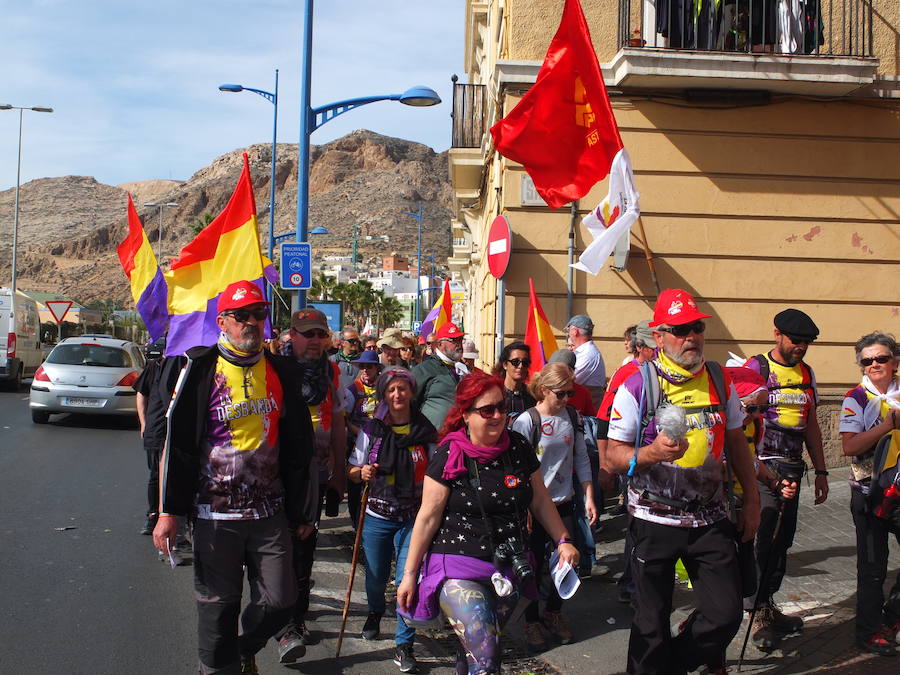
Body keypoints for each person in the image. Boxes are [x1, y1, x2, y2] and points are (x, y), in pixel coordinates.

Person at [153, 280, 316, 675]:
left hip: (269, 513)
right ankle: (219, 666)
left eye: (258, 314)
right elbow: (176, 445)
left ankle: (243, 649)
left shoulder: (281, 370)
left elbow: (300, 446)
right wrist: (167, 511)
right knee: (217, 609)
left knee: (282, 600)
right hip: (213, 515)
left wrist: (304, 511)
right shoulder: (199, 369)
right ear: (222, 321)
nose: (251, 323)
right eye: (241, 315)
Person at [605, 288, 760, 675]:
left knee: (725, 615)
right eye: (678, 330)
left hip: (710, 519)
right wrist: (652, 454)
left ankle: (670, 665)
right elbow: (612, 457)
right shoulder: (637, 385)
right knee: (649, 624)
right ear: (658, 337)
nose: (690, 337)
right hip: (654, 520)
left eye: (695, 328)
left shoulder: (719, 381)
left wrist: (752, 499)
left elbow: (738, 443)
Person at [396, 371, 580, 675]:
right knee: (487, 654)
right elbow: (427, 517)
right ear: (466, 414)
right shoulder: (450, 453)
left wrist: (563, 539)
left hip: (510, 567)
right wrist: (409, 574)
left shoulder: (518, 446)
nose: (497, 416)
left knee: (475, 651)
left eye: (502, 408)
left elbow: (539, 499)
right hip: (458, 566)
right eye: (487, 410)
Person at [743, 308, 828, 648]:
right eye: (796, 340)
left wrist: (822, 471)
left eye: (807, 342)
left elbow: (810, 424)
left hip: (793, 467)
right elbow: (741, 417)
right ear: (777, 333)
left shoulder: (807, 373)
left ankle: (768, 603)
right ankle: (756, 610)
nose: (801, 347)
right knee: (763, 535)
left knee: (782, 540)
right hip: (762, 468)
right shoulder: (757, 368)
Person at [348, 367, 438, 670]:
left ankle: (404, 644)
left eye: (402, 389)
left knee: (406, 580)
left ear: (411, 392)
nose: (397, 395)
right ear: (384, 394)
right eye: (391, 390)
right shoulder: (373, 430)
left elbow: (438, 473)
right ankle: (375, 611)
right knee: (375, 577)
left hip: (414, 518)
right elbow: (351, 468)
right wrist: (362, 473)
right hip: (376, 515)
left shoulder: (425, 431)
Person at [277, 307, 348, 660]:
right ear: (292, 335)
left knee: (305, 546)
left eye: (321, 333)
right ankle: (277, 615)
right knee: (278, 548)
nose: (316, 340)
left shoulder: (332, 371)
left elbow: (336, 423)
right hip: (275, 475)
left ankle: (294, 620)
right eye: (309, 333)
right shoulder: (273, 367)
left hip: (315, 476)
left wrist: (338, 474)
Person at [511, 362, 597, 650]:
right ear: (544, 390)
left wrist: (589, 495)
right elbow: (517, 467)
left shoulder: (572, 417)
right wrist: (522, 508)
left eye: (570, 393)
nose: (566, 400)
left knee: (568, 562)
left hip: (564, 503)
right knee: (533, 567)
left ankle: (553, 613)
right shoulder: (527, 421)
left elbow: (582, 458)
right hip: (534, 507)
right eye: (561, 394)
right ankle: (531, 620)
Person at [839, 332, 900, 656]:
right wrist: (888, 424)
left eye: (882, 358)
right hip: (870, 493)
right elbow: (850, 446)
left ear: (895, 362)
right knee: (873, 568)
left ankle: (894, 616)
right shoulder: (855, 398)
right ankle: (869, 632)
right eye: (868, 360)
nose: (875, 364)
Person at [725, 367, 798, 617]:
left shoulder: (754, 426)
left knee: (744, 578)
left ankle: (760, 609)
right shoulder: (717, 425)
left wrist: (775, 484)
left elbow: (753, 460)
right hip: (716, 510)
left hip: (740, 505)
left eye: (762, 409)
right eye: (751, 407)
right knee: (723, 588)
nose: (757, 414)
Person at [595, 319, 655, 603]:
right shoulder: (627, 375)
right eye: (656, 347)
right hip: (635, 465)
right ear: (642, 348)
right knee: (639, 527)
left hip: (674, 477)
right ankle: (631, 586)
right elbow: (603, 419)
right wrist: (605, 463)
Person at [134, 347, 183, 538]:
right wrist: (143, 422)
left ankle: (176, 520)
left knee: (176, 475)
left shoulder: (190, 364)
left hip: (178, 430)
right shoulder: (155, 365)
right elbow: (142, 393)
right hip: (157, 429)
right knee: (156, 475)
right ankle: (153, 515)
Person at [345, 348, 385, 529]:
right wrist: (361, 435)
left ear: (377, 368)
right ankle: (356, 522)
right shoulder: (353, 390)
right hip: (357, 444)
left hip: (380, 445)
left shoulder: (383, 389)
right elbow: (344, 419)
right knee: (355, 483)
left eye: (369, 367)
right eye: (362, 367)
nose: (365, 370)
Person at [412, 322, 468, 431]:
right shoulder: (424, 369)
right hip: (433, 440)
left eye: (461, 339)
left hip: (459, 439)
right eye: (454, 340)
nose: (459, 344)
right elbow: (410, 404)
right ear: (440, 344)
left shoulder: (463, 369)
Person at [565, 314, 607, 409]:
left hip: (588, 412)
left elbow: (570, 381)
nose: (569, 334)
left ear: (575, 332)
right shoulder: (586, 352)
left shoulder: (588, 354)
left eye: (569, 330)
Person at [494, 341, 535, 425]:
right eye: (515, 362)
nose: (520, 366)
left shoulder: (533, 397)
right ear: (505, 364)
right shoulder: (494, 395)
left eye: (525, 362)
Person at [547, 349, 595, 416]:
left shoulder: (583, 392)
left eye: (570, 393)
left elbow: (591, 418)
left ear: (571, 371)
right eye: (560, 394)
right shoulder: (542, 388)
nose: (565, 398)